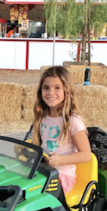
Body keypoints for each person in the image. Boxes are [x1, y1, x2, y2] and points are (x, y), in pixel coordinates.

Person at [29, 66, 92, 194]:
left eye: (57, 88)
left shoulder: (72, 120)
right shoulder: (42, 117)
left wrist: (60, 160)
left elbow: (86, 155)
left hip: (62, 176)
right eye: (46, 87)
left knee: (34, 194)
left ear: (66, 91)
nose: (50, 92)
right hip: (43, 171)